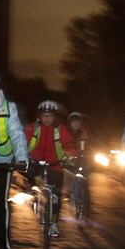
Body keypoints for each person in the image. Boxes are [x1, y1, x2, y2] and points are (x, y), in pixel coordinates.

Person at [25, 100, 77, 237]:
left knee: (56, 197)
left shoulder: (60, 129)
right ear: (39, 116)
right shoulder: (34, 127)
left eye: (50, 116)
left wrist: (71, 155)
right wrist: (22, 155)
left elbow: (69, 144)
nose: (47, 119)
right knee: (32, 182)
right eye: (44, 115)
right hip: (36, 163)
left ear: (55, 117)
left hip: (55, 165)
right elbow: (24, 140)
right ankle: (34, 194)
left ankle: (54, 224)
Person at [0, 89, 29, 249]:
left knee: (1, 203)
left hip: (2, 161)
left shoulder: (8, 107)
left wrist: (21, 158)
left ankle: (3, 248)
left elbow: (16, 133)